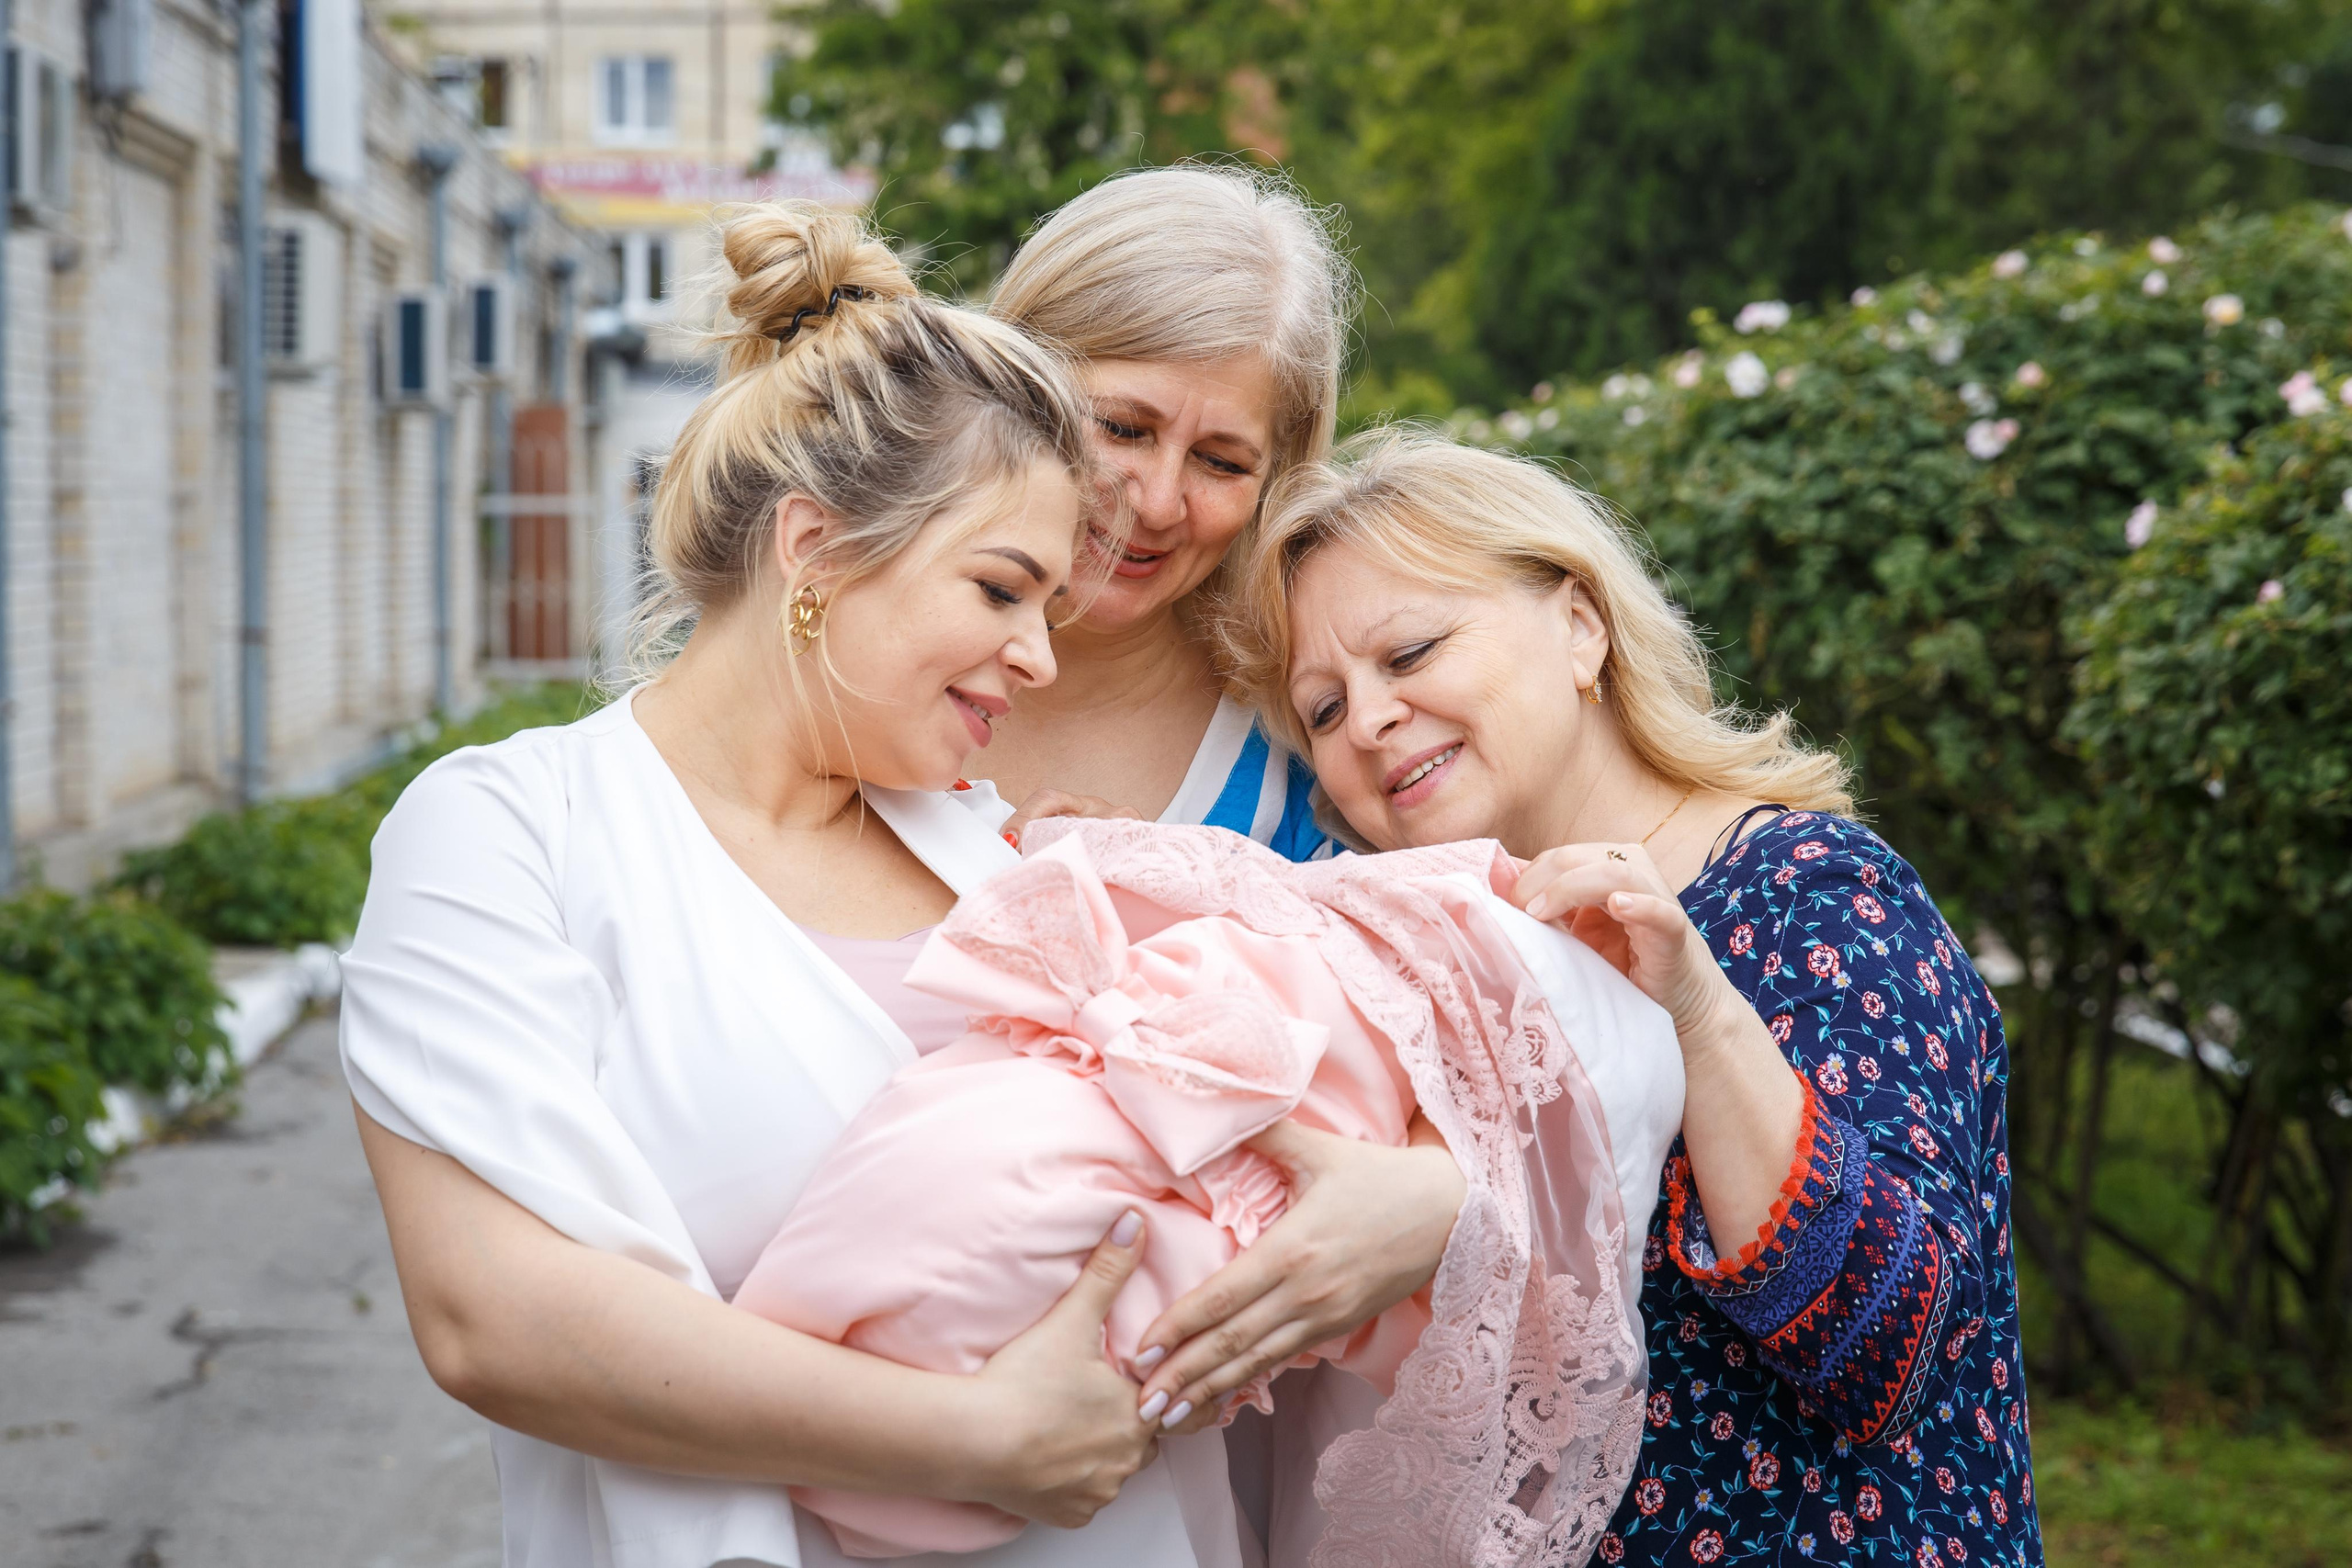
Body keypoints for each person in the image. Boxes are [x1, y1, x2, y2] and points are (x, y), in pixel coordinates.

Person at [339, 201, 1244, 1568]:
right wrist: (980, 1442)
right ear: (814, 548)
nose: (1039, 657)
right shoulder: (511, 834)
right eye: (1002, 589)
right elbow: (495, 1316)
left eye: (1047, 607)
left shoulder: (996, 850)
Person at [1215, 428, 2046, 1568]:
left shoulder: (1816, 895)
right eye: (1322, 709)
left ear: (1579, 626)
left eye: (1409, 651)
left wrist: (1695, 1011)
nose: (1366, 720)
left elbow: (1888, 1352)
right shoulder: (1424, 973)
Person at [978, 164, 1348, 857]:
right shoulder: (830, 660)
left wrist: (1182, 898)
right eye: (1121, 428)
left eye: (1221, 461)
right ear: (1012, 381)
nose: (1154, 503)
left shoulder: (1320, 748)